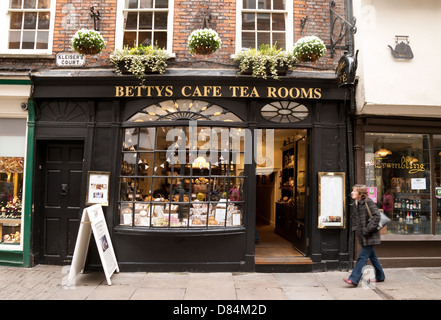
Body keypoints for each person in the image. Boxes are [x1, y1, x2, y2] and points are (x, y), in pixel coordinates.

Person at [344, 184, 385, 287]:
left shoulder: (368, 201)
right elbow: (355, 219)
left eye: (354, 191)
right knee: (373, 257)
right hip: (363, 235)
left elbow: (377, 216)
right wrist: (355, 229)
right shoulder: (356, 203)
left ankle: (354, 278)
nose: (352, 193)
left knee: (362, 257)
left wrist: (367, 229)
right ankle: (380, 276)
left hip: (370, 234)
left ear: (360, 193)